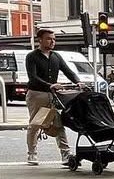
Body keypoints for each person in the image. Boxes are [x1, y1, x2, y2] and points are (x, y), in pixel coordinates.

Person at [25, 26, 80, 167]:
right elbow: (33, 77)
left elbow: (68, 71)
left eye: (54, 39)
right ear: (40, 40)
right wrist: (50, 84)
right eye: (49, 39)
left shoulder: (56, 56)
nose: (52, 42)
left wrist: (78, 82)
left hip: (53, 95)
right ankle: (32, 153)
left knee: (58, 124)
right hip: (37, 94)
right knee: (36, 123)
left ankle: (66, 155)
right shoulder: (32, 56)